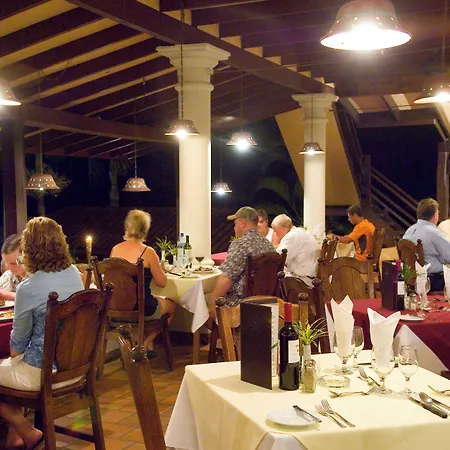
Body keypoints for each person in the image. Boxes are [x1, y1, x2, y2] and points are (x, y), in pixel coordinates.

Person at [0, 217, 84, 449]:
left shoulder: (29, 288)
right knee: (11, 370)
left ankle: (28, 432)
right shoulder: (74, 273)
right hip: (75, 369)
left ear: (27, 250)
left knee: (11, 365)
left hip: (44, 374)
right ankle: (15, 436)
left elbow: (16, 348)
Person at [111, 209, 175, 355]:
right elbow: (162, 282)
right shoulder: (148, 252)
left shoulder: (115, 250)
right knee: (171, 306)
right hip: (143, 308)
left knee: (151, 302)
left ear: (127, 227)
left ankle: (141, 346)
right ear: (145, 229)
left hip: (117, 308)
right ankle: (146, 343)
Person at [209, 207, 275, 313]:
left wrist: (212, 303)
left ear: (242, 223)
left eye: (235, 224)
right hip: (266, 303)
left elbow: (226, 278)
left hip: (240, 304)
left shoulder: (240, 244)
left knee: (204, 305)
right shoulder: (269, 245)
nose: (234, 228)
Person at [403, 198, 450, 292]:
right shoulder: (434, 233)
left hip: (410, 278)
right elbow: (448, 257)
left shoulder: (409, 230)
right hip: (433, 280)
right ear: (435, 215)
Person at [271, 214, 320, 286]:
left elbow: (278, 258)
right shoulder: (300, 231)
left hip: (304, 280)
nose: (275, 234)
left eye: (275, 231)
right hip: (311, 275)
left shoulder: (290, 237)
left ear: (283, 229)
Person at [0, 234, 27, 301]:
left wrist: (7, 295)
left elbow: (35, 299)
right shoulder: (8, 275)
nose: (8, 268)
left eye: (13, 263)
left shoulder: (38, 277)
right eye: (6, 262)